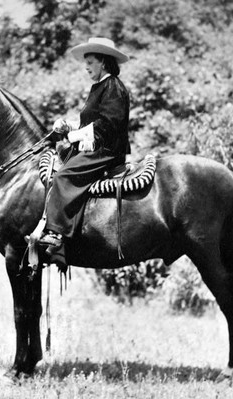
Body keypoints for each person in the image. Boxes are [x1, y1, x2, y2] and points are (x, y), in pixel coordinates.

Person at [39, 37, 131, 260]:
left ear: (104, 62)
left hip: (107, 150)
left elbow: (108, 125)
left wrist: (73, 136)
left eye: (90, 62)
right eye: (86, 62)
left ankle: (57, 237)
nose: (86, 67)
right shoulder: (99, 87)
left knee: (63, 177)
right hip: (96, 145)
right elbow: (91, 121)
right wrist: (68, 124)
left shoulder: (114, 87)